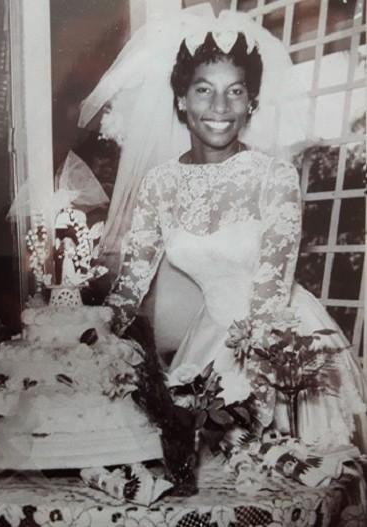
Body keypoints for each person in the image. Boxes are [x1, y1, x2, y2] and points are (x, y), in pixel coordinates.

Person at [99, 14, 367, 450]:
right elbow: (131, 285)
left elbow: (271, 291)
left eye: (235, 92)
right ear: (182, 100)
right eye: (204, 90)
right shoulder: (160, 184)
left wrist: (255, 392)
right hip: (209, 337)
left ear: (251, 103)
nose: (220, 108)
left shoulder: (274, 177)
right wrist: (91, 333)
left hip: (283, 340)